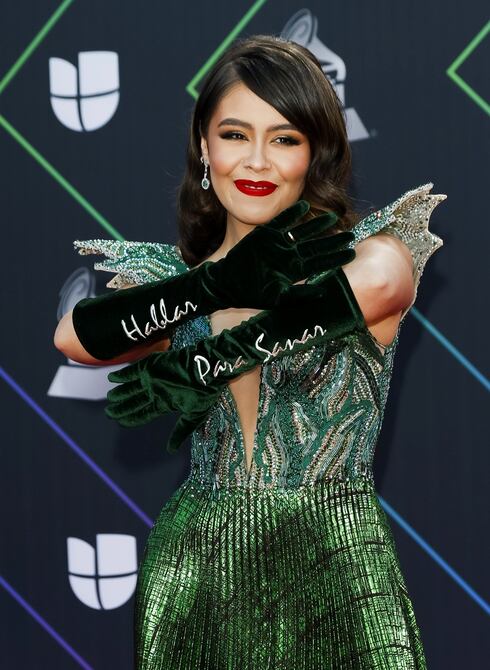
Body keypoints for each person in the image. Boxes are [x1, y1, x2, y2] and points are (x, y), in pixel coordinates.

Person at [54, 35, 446, 669]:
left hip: (337, 570)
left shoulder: (373, 252)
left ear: (313, 154)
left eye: (285, 138)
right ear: (204, 148)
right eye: (235, 135)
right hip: (195, 574)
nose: (257, 161)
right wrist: (212, 285)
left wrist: (209, 359)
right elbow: (74, 337)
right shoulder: (179, 287)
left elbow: (380, 285)